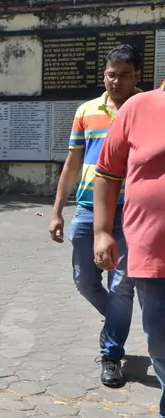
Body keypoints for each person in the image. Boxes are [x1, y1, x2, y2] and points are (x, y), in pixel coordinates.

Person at [49, 44, 141, 388]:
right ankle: (118, 323)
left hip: (131, 211)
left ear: (137, 76)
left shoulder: (148, 109)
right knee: (85, 281)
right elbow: (72, 162)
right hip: (88, 208)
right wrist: (57, 210)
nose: (116, 81)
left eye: (124, 75)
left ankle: (111, 354)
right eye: (111, 74)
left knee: (122, 287)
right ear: (104, 74)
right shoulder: (87, 110)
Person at [93, 80, 165, 418]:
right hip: (154, 251)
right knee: (162, 343)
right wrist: (103, 231)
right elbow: (107, 172)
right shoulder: (138, 108)